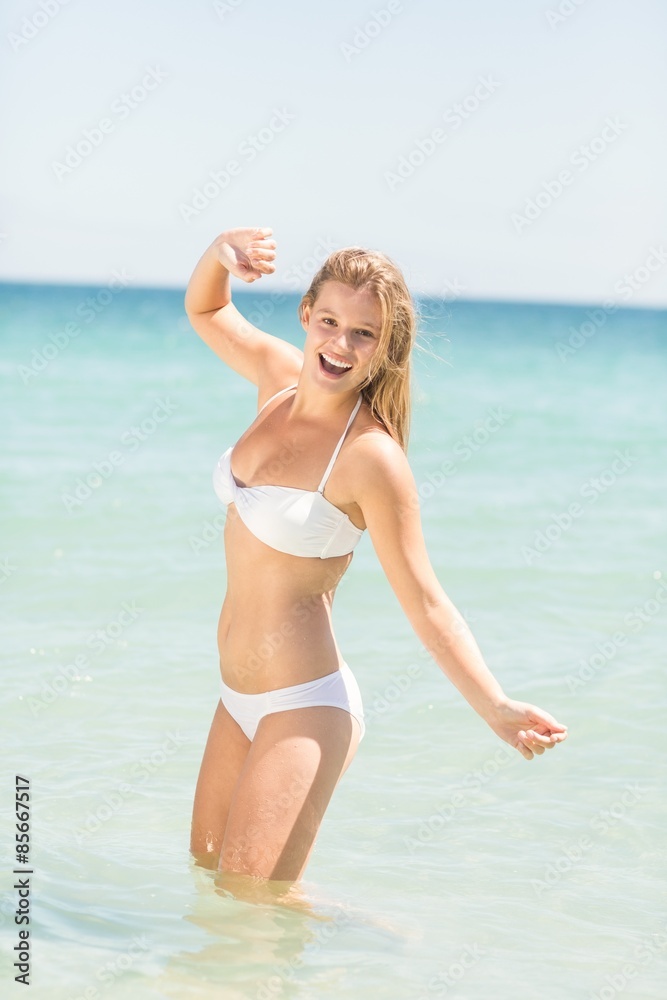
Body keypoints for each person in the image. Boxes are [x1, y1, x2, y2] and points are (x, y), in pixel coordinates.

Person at [185, 226, 568, 883]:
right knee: (207, 875)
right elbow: (207, 310)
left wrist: (495, 706)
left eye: (363, 334)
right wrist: (221, 254)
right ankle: (362, 945)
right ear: (306, 314)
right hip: (235, 695)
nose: (339, 343)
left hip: (302, 705)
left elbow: (425, 601)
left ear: (385, 350)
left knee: (249, 904)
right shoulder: (276, 380)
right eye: (329, 321)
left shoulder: (370, 458)